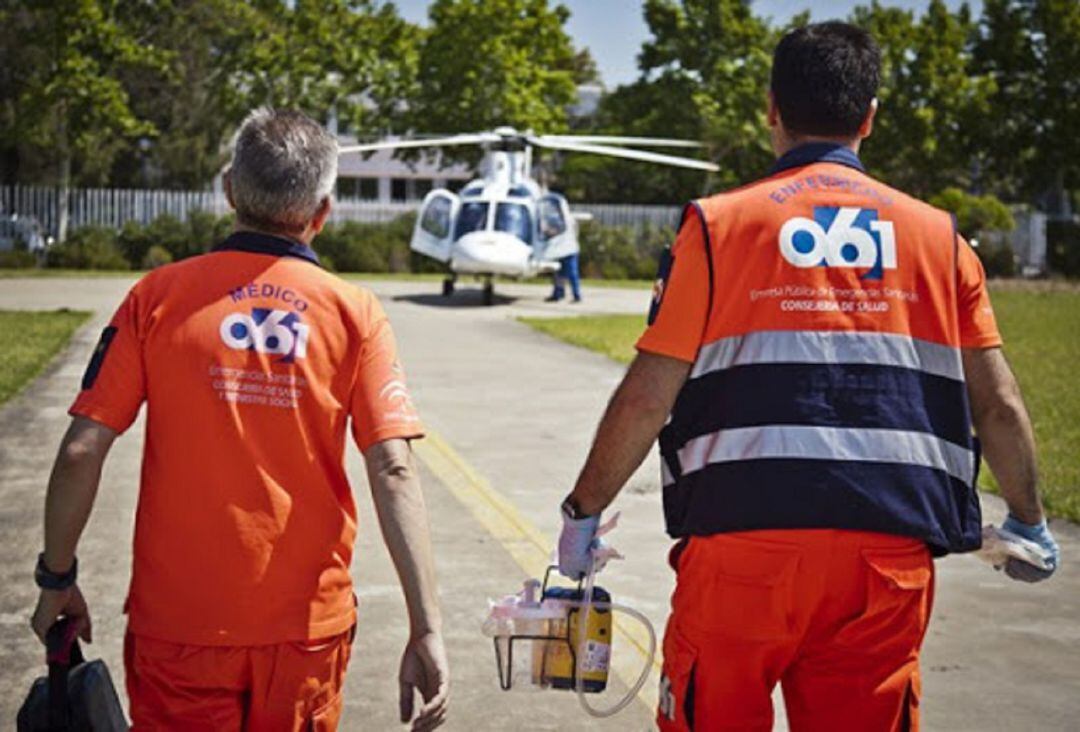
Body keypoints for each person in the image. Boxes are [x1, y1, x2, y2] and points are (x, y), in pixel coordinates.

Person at [556, 21, 1059, 732]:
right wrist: (1029, 521)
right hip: (886, 557)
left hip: (741, 551)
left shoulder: (715, 226)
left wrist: (583, 513)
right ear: (870, 117)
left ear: (770, 108)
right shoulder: (940, 240)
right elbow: (999, 404)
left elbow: (647, 395)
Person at [29, 108, 449, 731]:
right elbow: (392, 467)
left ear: (229, 190)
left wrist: (56, 577)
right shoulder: (355, 312)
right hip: (305, 630)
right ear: (324, 211)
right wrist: (427, 627)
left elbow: (80, 452)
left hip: (180, 628)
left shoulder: (157, 297)